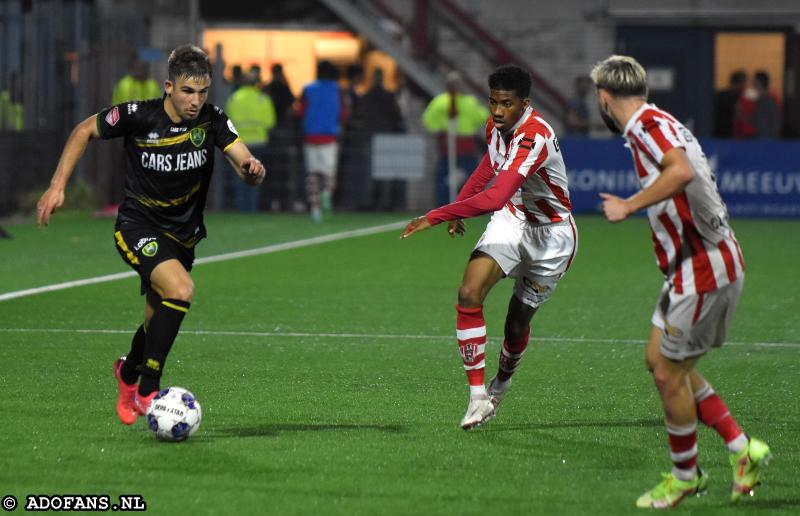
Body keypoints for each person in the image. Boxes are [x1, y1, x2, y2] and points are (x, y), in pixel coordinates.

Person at [36, 44, 265, 426]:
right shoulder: (138, 115)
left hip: (184, 236)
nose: (196, 101)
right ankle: (148, 390)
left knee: (154, 320)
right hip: (138, 226)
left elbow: (243, 161)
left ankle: (127, 374)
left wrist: (253, 169)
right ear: (169, 87)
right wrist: (57, 185)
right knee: (181, 290)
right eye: (188, 91)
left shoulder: (212, 120)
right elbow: (82, 131)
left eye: (203, 91)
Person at [590, 55, 771, 509]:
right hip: (689, 266)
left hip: (703, 268)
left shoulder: (646, 129)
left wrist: (629, 206)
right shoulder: (659, 120)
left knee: (671, 374)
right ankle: (741, 448)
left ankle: (685, 477)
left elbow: (680, 172)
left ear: (604, 99)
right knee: (660, 361)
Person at [402, 65, 577, 431]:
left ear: (525, 104)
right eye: (493, 102)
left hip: (551, 236)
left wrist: (435, 214)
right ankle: (478, 397)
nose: (497, 111)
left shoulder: (534, 136)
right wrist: (461, 203)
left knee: (516, 325)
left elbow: (496, 195)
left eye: (506, 104)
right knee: (469, 293)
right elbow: (488, 168)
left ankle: (502, 382)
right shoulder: (496, 126)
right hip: (513, 221)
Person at [422, 71, 489, 205]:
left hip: (462, 143)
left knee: (468, 174)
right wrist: (442, 127)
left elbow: (483, 117)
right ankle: (445, 202)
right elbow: (428, 121)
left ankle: (466, 201)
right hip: (449, 142)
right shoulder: (444, 102)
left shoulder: (461, 102)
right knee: (448, 174)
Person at [224, 69, 276, 211]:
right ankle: (252, 208)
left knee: (239, 177)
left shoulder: (233, 98)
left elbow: (227, 122)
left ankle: (241, 208)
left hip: (239, 144)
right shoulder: (263, 99)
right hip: (259, 143)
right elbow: (270, 122)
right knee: (255, 176)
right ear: (257, 83)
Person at [298, 60, 343, 222]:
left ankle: (315, 209)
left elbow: (301, 110)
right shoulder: (337, 89)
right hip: (329, 136)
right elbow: (343, 113)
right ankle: (326, 194)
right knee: (329, 173)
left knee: (312, 174)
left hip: (310, 136)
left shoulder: (308, 89)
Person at [713, 70, 746, 138]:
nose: (744, 86)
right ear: (737, 83)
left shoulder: (735, 96)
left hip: (727, 134)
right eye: (743, 83)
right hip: (722, 134)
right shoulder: (725, 96)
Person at [752, 70, 781, 138]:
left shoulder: (769, 100)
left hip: (768, 139)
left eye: (754, 81)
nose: (752, 83)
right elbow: (755, 121)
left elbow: (776, 121)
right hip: (760, 137)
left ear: (759, 82)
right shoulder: (759, 100)